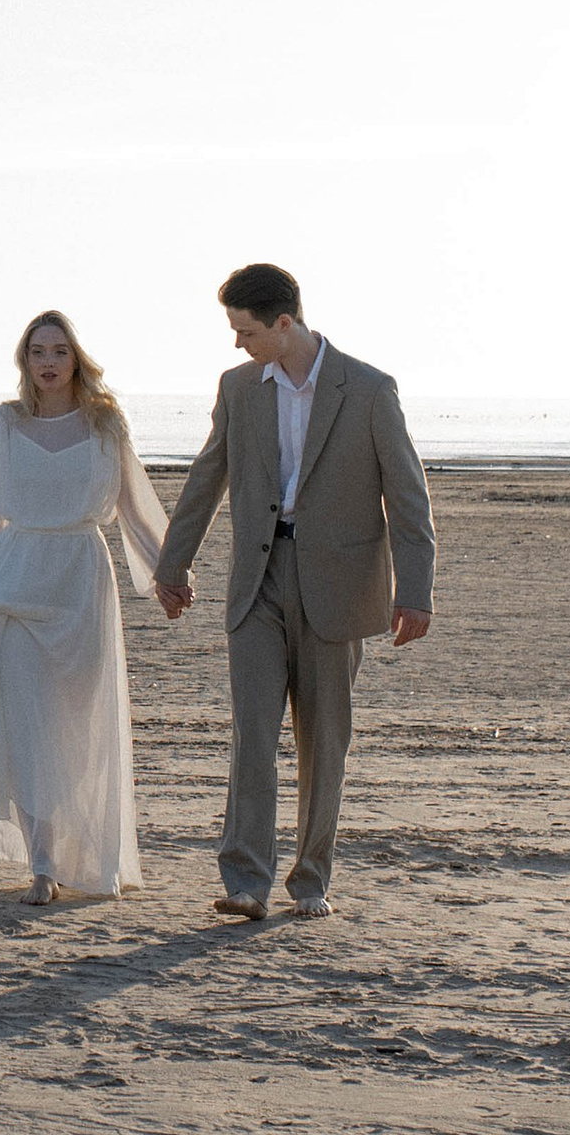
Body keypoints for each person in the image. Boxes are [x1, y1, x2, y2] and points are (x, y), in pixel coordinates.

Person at [151, 264, 435, 922]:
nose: (237, 344)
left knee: (322, 739)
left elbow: (408, 497)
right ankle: (245, 881)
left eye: (245, 331)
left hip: (339, 586)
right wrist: (174, 566)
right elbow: (207, 478)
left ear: (284, 324)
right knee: (254, 733)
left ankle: (310, 882)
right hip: (259, 581)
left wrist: (413, 591)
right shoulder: (239, 387)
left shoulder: (367, 390)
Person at [0, 309, 173, 903]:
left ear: (76, 358)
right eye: (36, 352)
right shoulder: (3, 421)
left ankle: (83, 850)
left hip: (80, 580)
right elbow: (0, 507)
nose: (47, 362)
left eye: (58, 350)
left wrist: (167, 572)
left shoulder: (107, 424)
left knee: (76, 725)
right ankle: (45, 865)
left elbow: (133, 505)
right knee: (21, 726)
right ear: (25, 361)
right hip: (11, 585)